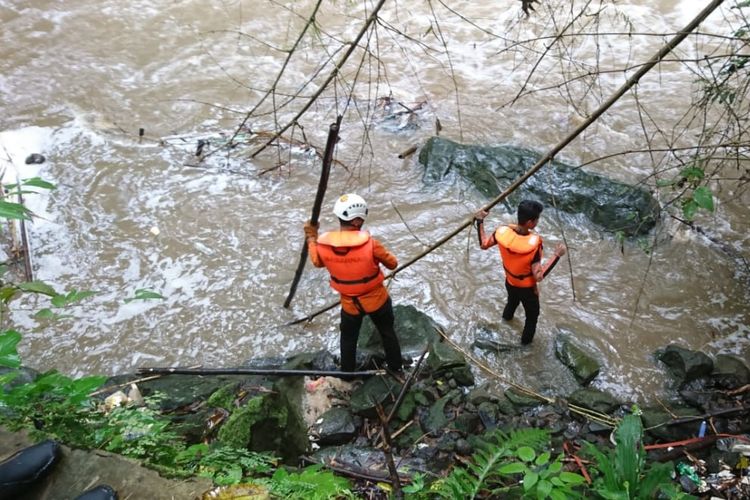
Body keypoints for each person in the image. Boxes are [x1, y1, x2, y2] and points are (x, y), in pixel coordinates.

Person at [303, 193, 403, 372]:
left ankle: (347, 374)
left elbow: (317, 262)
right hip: (377, 302)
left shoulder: (323, 245)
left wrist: (311, 237)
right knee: (387, 333)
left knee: (348, 338)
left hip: (350, 305)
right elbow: (393, 263)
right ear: (357, 221)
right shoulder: (372, 244)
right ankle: (396, 368)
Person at [474, 200, 566, 345]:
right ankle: (525, 347)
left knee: (512, 302)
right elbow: (539, 276)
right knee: (532, 317)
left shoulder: (502, 232)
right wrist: (557, 255)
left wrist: (480, 220)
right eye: (537, 219)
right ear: (530, 222)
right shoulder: (534, 244)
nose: (537, 222)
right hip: (527, 290)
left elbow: (483, 244)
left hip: (510, 282)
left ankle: (505, 322)